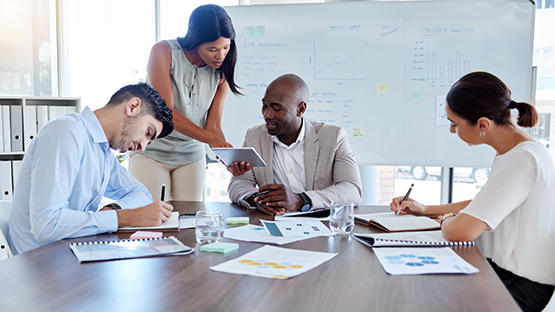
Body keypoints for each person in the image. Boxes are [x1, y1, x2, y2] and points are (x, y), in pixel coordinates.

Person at [389, 72, 555, 312]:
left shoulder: (522, 160)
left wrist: (446, 219)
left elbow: (460, 231)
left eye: (454, 123)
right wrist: (425, 210)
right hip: (506, 274)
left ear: (482, 125)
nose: (451, 130)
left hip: (518, 286)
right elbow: (485, 203)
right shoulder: (521, 150)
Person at [9, 83, 175, 255]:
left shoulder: (102, 152)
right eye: (148, 132)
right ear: (132, 107)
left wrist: (113, 210)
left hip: (71, 253)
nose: (143, 147)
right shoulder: (67, 132)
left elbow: (141, 193)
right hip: (40, 265)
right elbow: (46, 225)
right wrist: (126, 217)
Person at [129, 4, 241, 202]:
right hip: (151, 152)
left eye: (226, 47)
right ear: (196, 41)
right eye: (212, 49)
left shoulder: (220, 72)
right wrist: (212, 140)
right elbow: (167, 112)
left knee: (189, 222)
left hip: (191, 156)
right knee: (152, 220)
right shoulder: (163, 51)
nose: (221, 55)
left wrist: (227, 156)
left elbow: (213, 125)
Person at [227, 74, 362, 215]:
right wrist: (259, 200)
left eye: (276, 108)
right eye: (264, 106)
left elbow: (352, 189)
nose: (267, 114)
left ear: (301, 109)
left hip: (321, 223)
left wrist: (301, 200)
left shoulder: (333, 137)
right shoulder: (254, 136)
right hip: (273, 223)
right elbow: (239, 183)